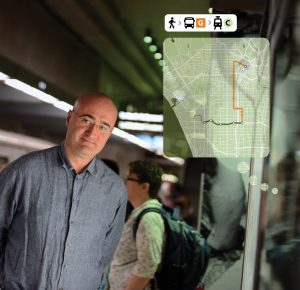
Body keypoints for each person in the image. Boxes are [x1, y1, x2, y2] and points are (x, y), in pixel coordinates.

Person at [0, 92, 128, 290]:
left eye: (104, 126)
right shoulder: (22, 173)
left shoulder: (115, 191)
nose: (93, 133)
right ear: (69, 118)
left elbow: (103, 256)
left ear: (109, 133)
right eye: (87, 120)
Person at [108, 160, 165, 290]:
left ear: (145, 186)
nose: (124, 182)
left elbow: (148, 265)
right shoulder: (140, 213)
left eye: (129, 178)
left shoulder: (149, 218)